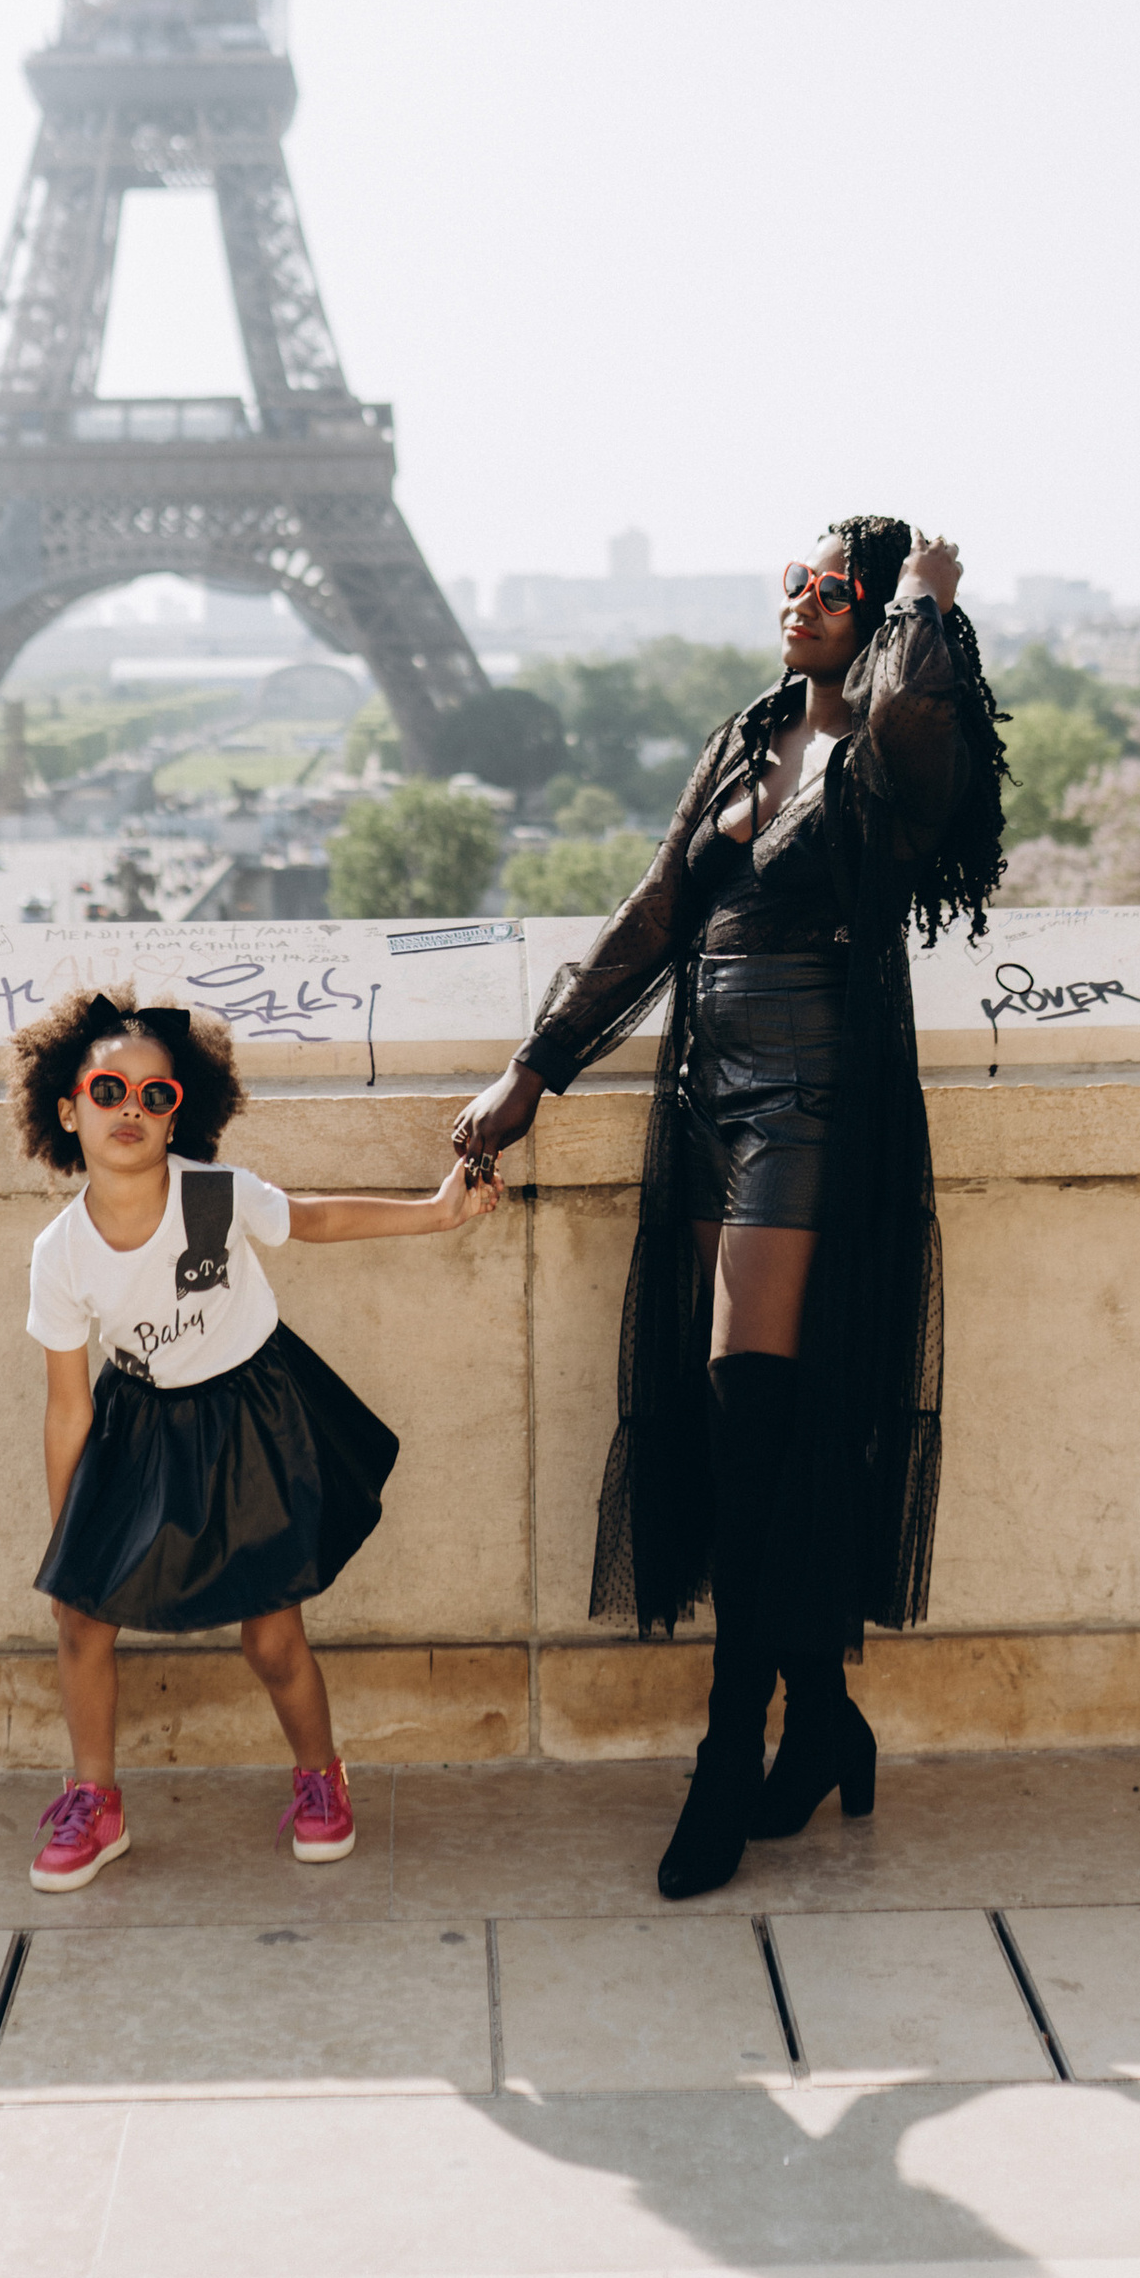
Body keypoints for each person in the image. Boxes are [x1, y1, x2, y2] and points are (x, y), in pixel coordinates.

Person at [455, 517, 1006, 1900]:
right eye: (793, 582)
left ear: (878, 618)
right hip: (707, 1092)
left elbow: (927, 721)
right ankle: (821, 1720)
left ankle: (727, 1755)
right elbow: (655, 912)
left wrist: (931, 602)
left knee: (753, 1407)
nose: (800, 603)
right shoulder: (747, 731)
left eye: (834, 590)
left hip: (816, 1100)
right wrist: (534, 1072)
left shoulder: (894, 750)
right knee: (737, 1434)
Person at [13, 983, 501, 1894]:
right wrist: (68, 1535)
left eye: (155, 1096)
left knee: (272, 1635)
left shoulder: (214, 1198)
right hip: (140, 1427)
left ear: (178, 1113)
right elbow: (68, 1406)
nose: (131, 1109)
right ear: (67, 1109)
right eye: (109, 1092)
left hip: (250, 1417)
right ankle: (95, 1799)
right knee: (80, 1620)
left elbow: (312, 1218)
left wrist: (439, 1212)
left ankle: (322, 1780)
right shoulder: (61, 1253)